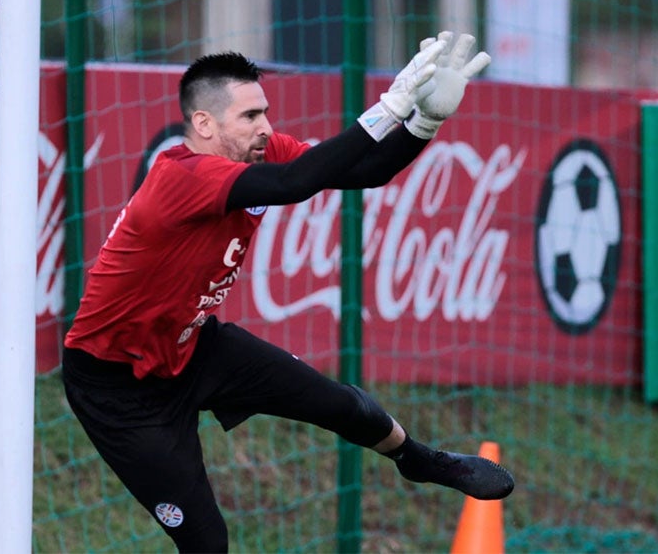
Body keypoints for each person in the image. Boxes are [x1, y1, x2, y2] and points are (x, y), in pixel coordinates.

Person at [61, 31, 514, 553]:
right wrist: (389, 105)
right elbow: (292, 184)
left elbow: (364, 170)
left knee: (338, 404)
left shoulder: (258, 153)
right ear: (204, 124)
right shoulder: (180, 178)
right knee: (208, 542)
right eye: (249, 117)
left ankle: (419, 460)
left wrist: (424, 121)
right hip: (116, 386)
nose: (266, 128)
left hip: (191, 347)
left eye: (265, 113)